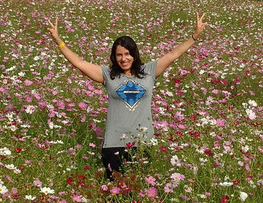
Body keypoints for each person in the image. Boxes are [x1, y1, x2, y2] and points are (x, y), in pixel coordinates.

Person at [47, 13, 207, 178]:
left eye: (127, 54)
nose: (124, 59)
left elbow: (173, 55)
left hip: (142, 143)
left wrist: (195, 36)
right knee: (115, 189)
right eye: (119, 55)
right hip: (114, 143)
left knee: (139, 188)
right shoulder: (107, 74)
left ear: (134, 54)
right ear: (114, 57)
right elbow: (79, 63)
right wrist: (58, 41)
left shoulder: (149, 71)